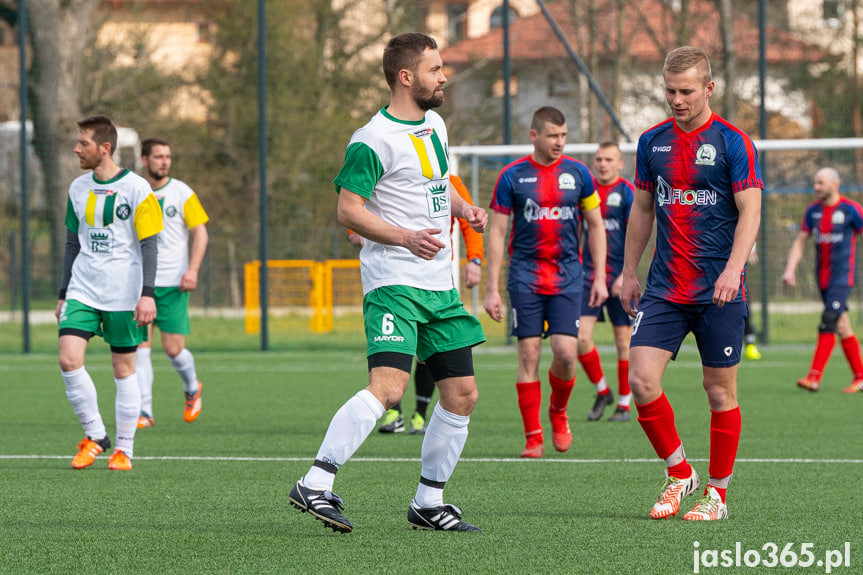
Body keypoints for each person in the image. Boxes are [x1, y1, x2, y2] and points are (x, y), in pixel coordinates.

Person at [289, 33, 488, 533]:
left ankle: (428, 502)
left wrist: (465, 211)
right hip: (394, 283)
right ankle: (315, 483)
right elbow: (347, 210)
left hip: (439, 286)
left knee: (462, 393)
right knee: (390, 389)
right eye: (434, 69)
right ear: (406, 77)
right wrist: (402, 237)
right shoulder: (371, 139)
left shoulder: (435, 124)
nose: (443, 77)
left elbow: (437, 186)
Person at [620, 46, 762, 521]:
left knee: (718, 391)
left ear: (708, 88)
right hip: (665, 286)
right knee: (640, 380)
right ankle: (680, 474)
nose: (676, 100)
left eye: (685, 91)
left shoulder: (732, 142)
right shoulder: (651, 142)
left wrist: (732, 269)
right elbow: (642, 209)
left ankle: (717, 495)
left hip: (719, 288)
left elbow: (751, 212)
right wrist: (628, 271)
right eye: (669, 91)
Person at [484, 106, 608, 459]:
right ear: (534, 136)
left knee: (567, 354)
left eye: (564, 135)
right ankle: (533, 437)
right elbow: (497, 231)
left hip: (569, 277)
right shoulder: (512, 176)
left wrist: (599, 276)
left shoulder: (579, 174)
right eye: (553, 136)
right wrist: (492, 288)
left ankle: (558, 412)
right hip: (525, 278)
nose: (560, 142)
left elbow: (596, 226)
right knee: (528, 354)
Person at [56, 115, 164, 471]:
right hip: (83, 288)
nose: (76, 148)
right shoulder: (77, 188)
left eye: (83, 143)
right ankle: (96, 435)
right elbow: (73, 242)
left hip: (124, 292)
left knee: (123, 367)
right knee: (68, 359)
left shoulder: (136, 189)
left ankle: (124, 449)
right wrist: (62, 292)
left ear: (105, 148)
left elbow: (150, 244)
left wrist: (147, 294)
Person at [377, 173, 484, 435]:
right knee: (395, 348)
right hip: (393, 277)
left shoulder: (450, 181)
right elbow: (358, 209)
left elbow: (469, 221)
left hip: (434, 278)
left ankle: (419, 415)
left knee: (429, 352)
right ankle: (393, 412)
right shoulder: (391, 174)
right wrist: (356, 233)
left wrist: (475, 259)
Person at [135, 138, 210, 428]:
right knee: (140, 346)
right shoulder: (135, 190)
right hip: (141, 284)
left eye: (168, 156)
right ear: (144, 160)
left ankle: (192, 387)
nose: (164, 161)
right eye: (158, 157)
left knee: (173, 349)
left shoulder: (181, 192)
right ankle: (144, 410)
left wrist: (192, 270)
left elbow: (201, 233)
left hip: (173, 284)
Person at [781, 167, 863, 393]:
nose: (816, 187)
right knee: (843, 325)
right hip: (823, 278)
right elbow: (800, 241)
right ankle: (861, 377)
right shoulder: (812, 211)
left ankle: (813, 377)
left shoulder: (851, 210)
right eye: (815, 183)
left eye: (820, 183)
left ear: (835, 185)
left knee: (828, 320)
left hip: (842, 278)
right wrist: (790, 269)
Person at [577, 142, 635, 422]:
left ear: (620, 163)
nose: (603, 164)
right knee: (579, 339)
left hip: (620, 277)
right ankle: (603, 389)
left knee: (623, 342)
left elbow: (639, 234)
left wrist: (626, 274)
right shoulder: (586, 190)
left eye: (609, 159)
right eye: (599, 159)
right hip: (588, 276)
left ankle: (624, 403)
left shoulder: (627, 192)